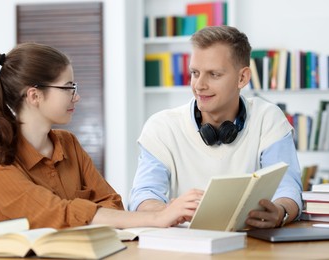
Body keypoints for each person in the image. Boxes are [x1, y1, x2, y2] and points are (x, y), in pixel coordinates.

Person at [0, 42, 198, 230]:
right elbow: (54, 213)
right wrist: (158, 217)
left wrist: (90, 214)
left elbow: (112, 203)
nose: (76, 96)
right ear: (34, 95)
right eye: (68, 87)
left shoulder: (68, 143)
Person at [128, 25, 303, 229]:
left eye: (214, 74)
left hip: (252, 244)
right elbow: (144, 196)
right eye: (195, 73)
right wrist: (164, 212)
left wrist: (280, 211)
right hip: (184, 246)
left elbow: (288, 189)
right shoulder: (161, 127)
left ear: (242, 78)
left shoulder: (268, 118)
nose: (199, 85)